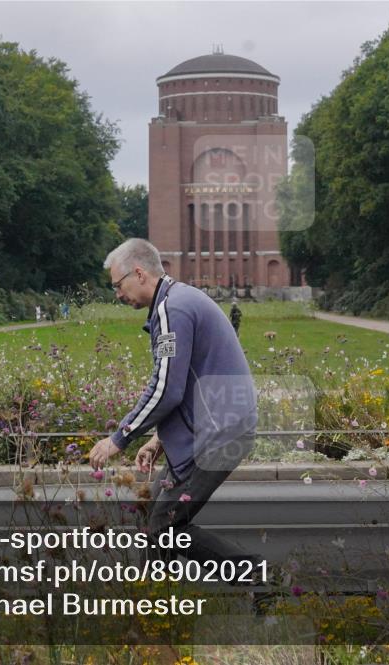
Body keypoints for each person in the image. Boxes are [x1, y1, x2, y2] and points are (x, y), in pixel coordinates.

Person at [89, 238, 259, 567]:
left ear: (138, 273)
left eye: (117, 285)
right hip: (217, 430)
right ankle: (158, 604)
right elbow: (188, 381)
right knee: (156, 515)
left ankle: (266, 580)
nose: (117, 294)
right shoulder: (177, 300)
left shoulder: (172, 308)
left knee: (164, 528)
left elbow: (167, 388)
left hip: (218, 435)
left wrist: (119, 437)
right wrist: (158, 440)